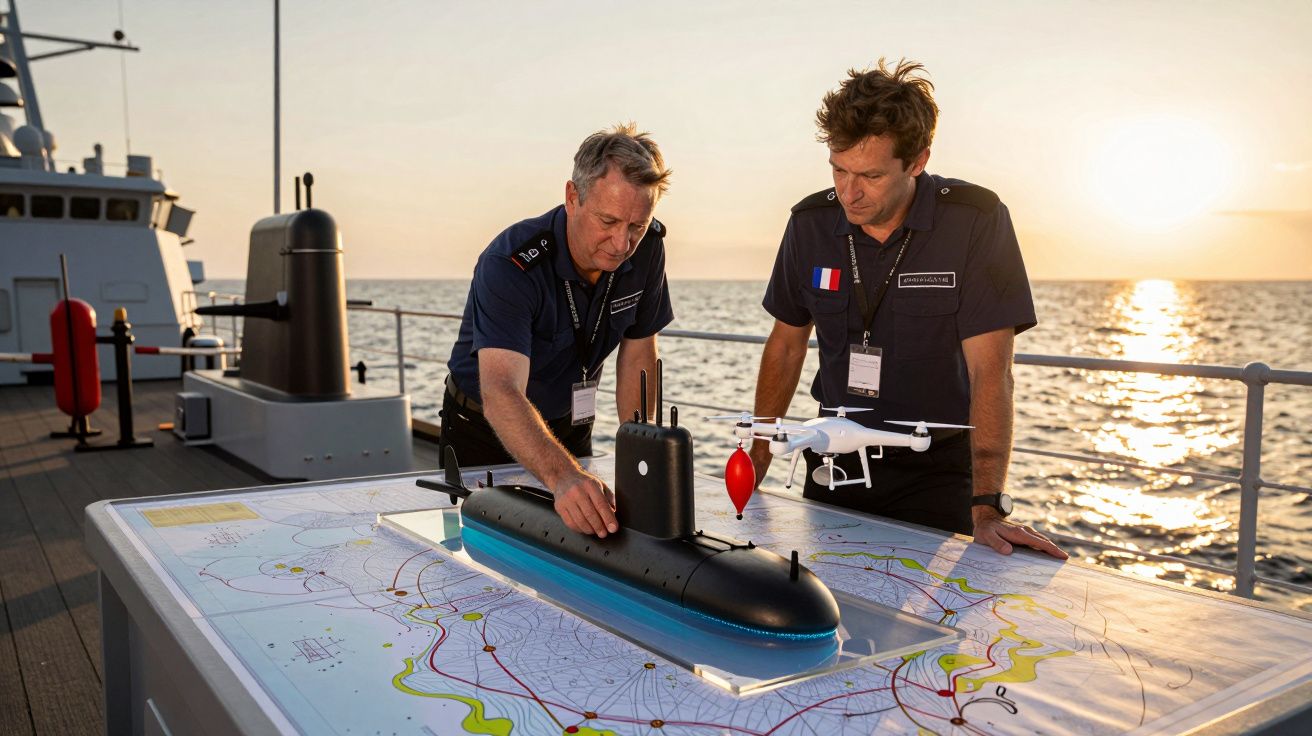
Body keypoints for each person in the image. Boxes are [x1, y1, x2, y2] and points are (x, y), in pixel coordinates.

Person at [751, 60, 1066, 560]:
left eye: (870, 176)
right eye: (838, 170)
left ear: (917, 161)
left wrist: (988, 505)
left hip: (935, 471)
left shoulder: (975, 220)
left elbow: (992, 371)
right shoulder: (809, 223)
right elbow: (787, 345)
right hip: (834, 459)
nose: (848, 193)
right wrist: (757, 457)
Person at [443, 123, 674, 539]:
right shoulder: (510, 262)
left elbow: (638, 351)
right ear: (573, 196)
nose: (622, 244)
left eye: (637, 225)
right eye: (608, 221)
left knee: (582, 544)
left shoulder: (649, 248)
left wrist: (642, 451)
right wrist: (564, 476)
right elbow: (500, 391)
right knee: (479, 561)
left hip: (570, 426)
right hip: (484, 429)